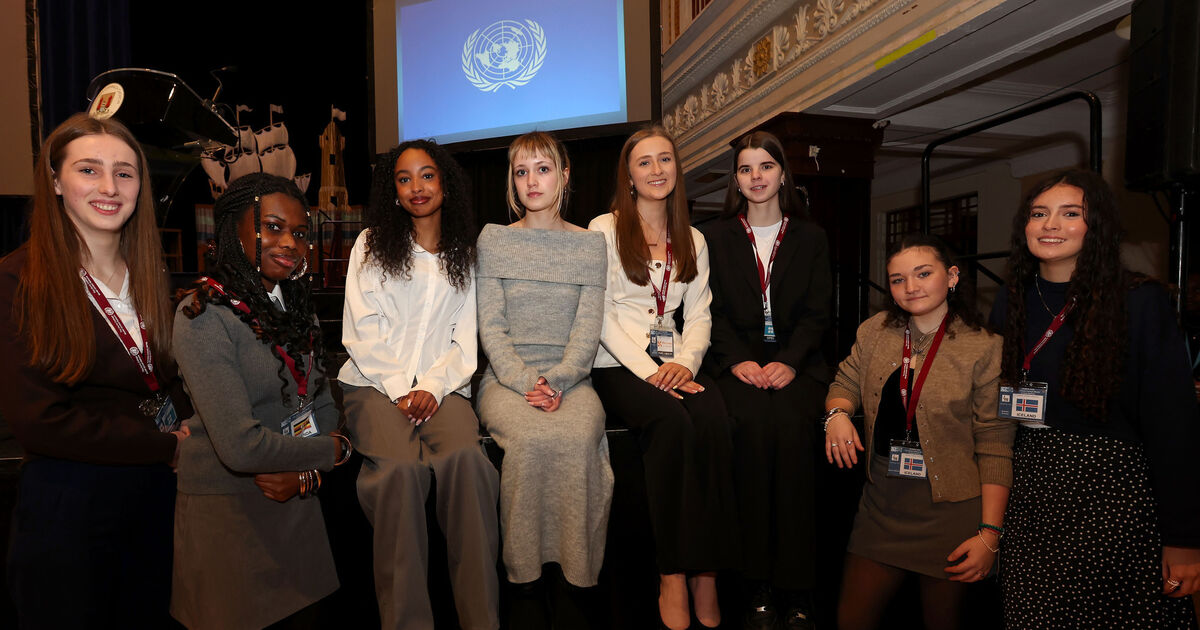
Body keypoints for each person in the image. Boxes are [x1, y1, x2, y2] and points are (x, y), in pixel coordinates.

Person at [0, 112, 191, 627]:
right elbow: (39, 421)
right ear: (55, 181)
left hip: (157, 503)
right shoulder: (19, 279)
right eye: (89, 170)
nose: (109, 187)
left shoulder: (150, 273)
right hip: (70, 510)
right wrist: (167, 445)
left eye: (124, 173)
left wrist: (189, 426)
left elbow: (161, 379)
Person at [992, 170, 1200, 628]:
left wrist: (1183, 538)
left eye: (1070, 214)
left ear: (1097, 226)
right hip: (1030, 491)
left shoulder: (1139, 301)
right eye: (1039, 213)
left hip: (1115, 495)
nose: (1050, 224)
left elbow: (1174, 425)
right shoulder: (1010, 300)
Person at [171, 172, 350, 629]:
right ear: (233, 228)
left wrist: (306, 476)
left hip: (297, 505)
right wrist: (331, 453)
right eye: (273, 227)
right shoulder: (201, 313)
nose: (290, 243)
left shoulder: (297, 307)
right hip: (232, 518)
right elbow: (241, 446)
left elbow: (323, 404)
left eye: (300, 233)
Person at [338, 139, 500, 630]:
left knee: (468, 462)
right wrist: (398, 388)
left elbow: (464, 341)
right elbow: (360, 331)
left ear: (445, 183)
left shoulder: (465, 255)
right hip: (373, 384)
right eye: (404, 179)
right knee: (400, 472)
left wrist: (430, 387)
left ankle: (481, 619)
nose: (417, 187)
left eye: (427, 175)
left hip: (441, 387)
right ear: (394, 191)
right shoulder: (370, 245)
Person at [589, 125, 738, 630]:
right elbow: (601, 315)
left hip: (675, 363)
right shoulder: (603, 229)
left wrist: (686, 365)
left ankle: (707, 572)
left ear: (677, 169)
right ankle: (672, 571)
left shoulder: (694, 238)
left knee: (715, 419)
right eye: (645, 162)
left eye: (665, 160)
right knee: (672, 424)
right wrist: (654, 373)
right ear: (628, 176)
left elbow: (699, 315)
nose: (657, 170)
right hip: (619, 364)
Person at [825, 234, 1013, 630]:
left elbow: (995, 444)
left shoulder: (984, 347)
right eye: (898, 279)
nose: (911, 287)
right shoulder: (875, 331)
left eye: (923, 274)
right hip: (881, 505)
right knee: (850, 620)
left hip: (951, 513)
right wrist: (837, 414)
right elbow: (845, 382)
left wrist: (990, 535)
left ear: (952, 276)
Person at [475, 131, 613, 628]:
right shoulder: (494, 239)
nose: (532, 181)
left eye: (543, 169)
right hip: (505, 379)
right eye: (521, 171)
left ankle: (576, 574)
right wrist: (524, 381)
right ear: (512, 181)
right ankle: (525, 578)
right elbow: (491, 328)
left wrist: (556, 381)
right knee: (531, 440)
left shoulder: (590, 245)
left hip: (571, 379)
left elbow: (586, 331)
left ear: (564, 175)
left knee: (578, 437)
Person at [701, 130, 830, 629]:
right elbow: (707, 311)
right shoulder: (713, 237)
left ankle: (798, 588)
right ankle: (755, 583)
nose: (756, 177)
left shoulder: (811, 236)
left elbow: (819, 312)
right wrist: (735, 360)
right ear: (736, 180)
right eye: (745, 168)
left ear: (782, 174)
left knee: (795, 435)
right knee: (751, 434)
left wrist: (792, 361)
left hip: (797, 363)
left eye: (765, 166)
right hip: (738, 364)